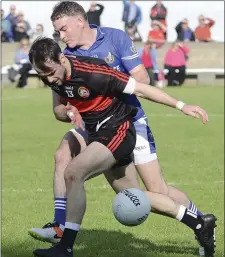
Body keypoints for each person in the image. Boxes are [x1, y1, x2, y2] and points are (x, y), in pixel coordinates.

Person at [28, 2, 216, 256]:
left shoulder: (106, 49)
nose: (61, 36)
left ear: (79, 21)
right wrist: (70, 111)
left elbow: (141, 83)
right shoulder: (60, 65)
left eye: (63, 29)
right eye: (57, 32)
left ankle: (65, 243)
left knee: (146, 188)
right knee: (79, 165)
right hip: (93, 125)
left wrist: (181, 105)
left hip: (125, 122)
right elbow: (59, 108)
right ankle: (199, 223)